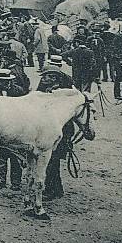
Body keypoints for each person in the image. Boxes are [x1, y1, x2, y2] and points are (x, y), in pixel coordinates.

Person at [36, 65, 75, 200]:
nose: (43, 79)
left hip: (60, 132)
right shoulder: (46, 89)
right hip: (49, 130)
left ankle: (51, 190)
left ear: (54, 78)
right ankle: (57, 189)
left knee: (51, 161)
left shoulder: (62, 94)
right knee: (53, 162)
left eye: (46, 76)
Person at [0, 69, 26, 190]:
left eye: (2, 81)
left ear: (9, 81)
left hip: (16, 128)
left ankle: (16, 182)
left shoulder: (18, 91)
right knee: (1, 155)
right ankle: (0, 181)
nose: (0, 83)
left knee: (16, 156)